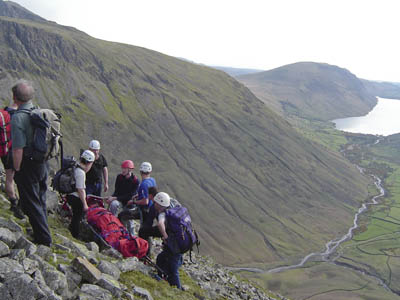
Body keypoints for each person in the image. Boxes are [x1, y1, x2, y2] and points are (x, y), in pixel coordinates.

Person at [11, 79, 52, 246]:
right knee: (40, 199)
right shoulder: (38, 111)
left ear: (15, 98)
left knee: (31, 202)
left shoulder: (18, 118)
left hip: (28, 164)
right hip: (43, 163)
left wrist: (16, 168)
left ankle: (44, 240)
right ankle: (43, 231)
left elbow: (18, 149)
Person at [154, 192, 183, 290]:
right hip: (182, 239)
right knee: (162, 258)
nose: (154, 204)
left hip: (175, 243)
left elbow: (160, 224)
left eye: (155, 203)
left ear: (159, 204)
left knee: (173, 267)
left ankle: (177, 289)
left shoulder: (163, 213)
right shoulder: (174, 205)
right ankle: (162, 277)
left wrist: (166, 237)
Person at [1, 98, 24, 219]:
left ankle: (13, 202)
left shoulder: (5, 112)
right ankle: (17, 206)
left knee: (9, 179)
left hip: (4, 150)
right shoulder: (21, 115)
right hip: (15, 150)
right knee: (17, 179)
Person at [66, 150, 95, 238]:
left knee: (76, 215)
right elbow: (80, 189)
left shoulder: (75, 167)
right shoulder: (81, 173)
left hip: (69, 194)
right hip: (75, 197)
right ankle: (74, 234)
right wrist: (85, 204)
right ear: (89, 163)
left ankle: (72, 230)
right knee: (77, 216)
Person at [106, 160, 140, 234]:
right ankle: (112, 224)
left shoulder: (135, 181)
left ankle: (132, 236)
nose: (123, 170)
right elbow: (117, 191)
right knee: (113, 204)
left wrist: (115, 198)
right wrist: (111, 198)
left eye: (125, 169)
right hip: (120, 200)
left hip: (129, 203)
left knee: (129, 221)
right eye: (122, 168)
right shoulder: (119, 177)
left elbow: (130, 196)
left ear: (130, 169)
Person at [128, 162, 156, 226]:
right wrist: (138, 195)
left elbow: (145, 201)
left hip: (145, 210)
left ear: (140, 171)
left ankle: (129, 233)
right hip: (151, 208)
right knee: (147, 227)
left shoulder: (144, 184)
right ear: (150, 171)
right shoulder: (152, 180)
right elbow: (149, 193)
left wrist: (133, 202)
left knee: (122, 216)